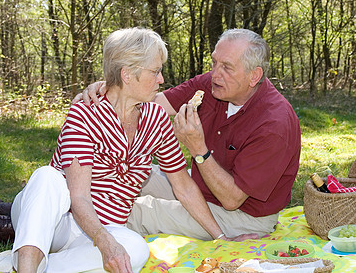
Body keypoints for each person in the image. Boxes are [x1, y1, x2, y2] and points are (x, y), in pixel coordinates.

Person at [0, 27, 234, 273]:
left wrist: (221, 237)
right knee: (47, 177)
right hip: (55, 220)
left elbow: (183, 187)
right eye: (155, 71)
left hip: (99, 231)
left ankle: (11, 265)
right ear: (127, 74)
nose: (162, 79)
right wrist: (106, 243)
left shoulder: (157, 119)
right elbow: (78, 197)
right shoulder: (85, 112)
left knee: (136, 250)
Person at [78, 28, 301, 240]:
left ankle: (75, 236)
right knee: (123, 175)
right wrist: (112, 88)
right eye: (214, 62)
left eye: (227, 67)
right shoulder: (212, 85)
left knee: (135, 211)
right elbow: (153, 102)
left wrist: (197, 149)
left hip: (242, 216)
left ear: (254, 76)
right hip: (201, 186)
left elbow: (232, 199)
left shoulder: (274, 124)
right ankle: (68, 201)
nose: (215, 73)